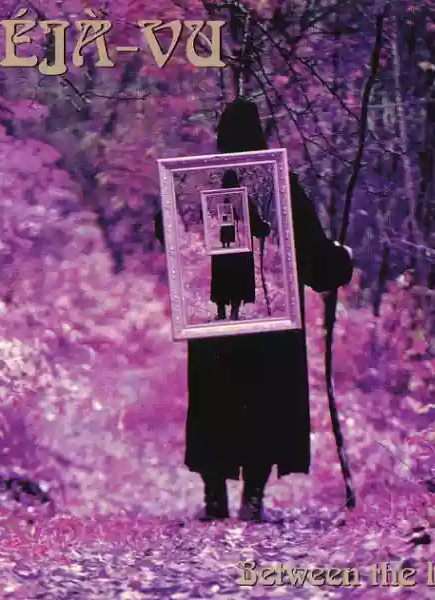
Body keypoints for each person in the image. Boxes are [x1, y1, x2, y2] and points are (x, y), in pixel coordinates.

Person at [155, 98, 353, 522]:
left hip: (216, 320)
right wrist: (337, 264)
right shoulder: (279, 186)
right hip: (269, 319)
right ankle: (252, 497)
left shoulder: (201, 183)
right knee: (263, 402)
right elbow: (311, 249)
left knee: (215, 402)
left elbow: (170, 228)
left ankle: (215, 498)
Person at [211, 170, 270, 320]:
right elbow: (254, 221)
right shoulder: (243, 199)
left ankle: (222, 311)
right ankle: (234, 312)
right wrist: (263, 229)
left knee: (222, 278)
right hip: (241, 247)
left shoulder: (215, 199)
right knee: (238, 279)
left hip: (221, 247)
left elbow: (210, 222)